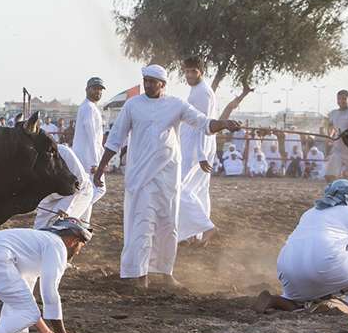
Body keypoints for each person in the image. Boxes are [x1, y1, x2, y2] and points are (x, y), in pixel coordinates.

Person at [92, 64, 240, 289]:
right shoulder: (133, 105)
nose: (148, 85)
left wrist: (224, 124)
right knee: (141, 224)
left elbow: (203, 123)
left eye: (152, 81)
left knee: (168, 224)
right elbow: (115, 138)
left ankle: (165, 273)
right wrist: (101, 168)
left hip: (168, 176)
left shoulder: (176, 104)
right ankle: (139, 275)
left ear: (163, 84)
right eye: (146, 81)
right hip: (141, 177)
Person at [253, 180, 348, 314]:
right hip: (324, 263)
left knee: (302, 300)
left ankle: (275, 301)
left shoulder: (309, 213)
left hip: (286, 267)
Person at [177, 57, 218, 244]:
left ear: (201, 71)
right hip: (195, 147)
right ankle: (195, 234)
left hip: (196, 149)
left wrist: (201, 155)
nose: (189, 75)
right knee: (198, 190)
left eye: (193, 71)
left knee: (179, 188)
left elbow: (204, 123)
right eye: (186, 71)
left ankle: (206, 227)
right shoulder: (198, 90)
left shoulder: (203, 93)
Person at [34, 144, 94, 229]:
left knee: (60, 228)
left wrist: (64, 208)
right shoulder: (29, 159)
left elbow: (79, 182)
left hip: (79, 193)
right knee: (39, 229)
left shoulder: (63, 152)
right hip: (50, 199)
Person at [72, 77, 106, 224]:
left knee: (88, 191)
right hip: (87, 159)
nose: (98, 92)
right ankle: (75, 215)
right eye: (95, 88)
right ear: (87, 89)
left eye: (100, 89)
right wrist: (95, 162)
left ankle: (82, 221)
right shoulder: (89, 108)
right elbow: (92, 135)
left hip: (85, 156)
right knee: (96, 190)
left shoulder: (89, 107)